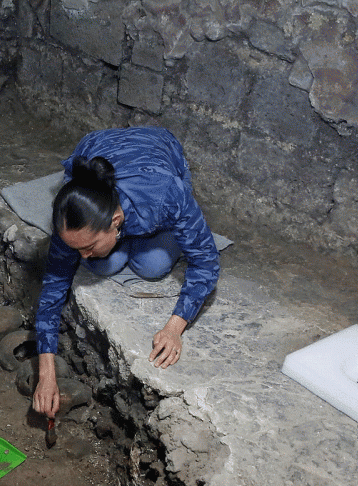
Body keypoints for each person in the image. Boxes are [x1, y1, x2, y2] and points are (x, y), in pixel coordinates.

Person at [30, 126, 220, 419]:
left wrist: (174, 328)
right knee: (103, 263)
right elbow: (54, 288)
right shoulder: (72, 215)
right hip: (97, 146)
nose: (79, 255)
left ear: (116, 220)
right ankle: (116, 246)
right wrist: (46, 373)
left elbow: (205, 262)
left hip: (159, 149)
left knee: (153, 265)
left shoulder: (166, 194)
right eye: (76, 247)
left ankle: (133, 241)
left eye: (89, 244)